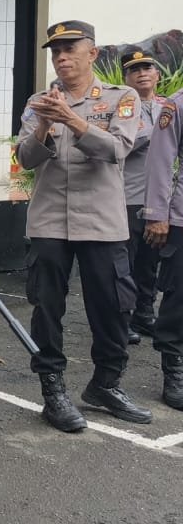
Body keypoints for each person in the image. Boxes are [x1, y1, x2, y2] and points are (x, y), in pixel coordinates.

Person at [16, 20, 151, 433]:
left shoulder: (121, 97)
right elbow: (26, 159)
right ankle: (52, 390)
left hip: (101, 221)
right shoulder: (39, 102)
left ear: (92, 54)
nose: (61, 57)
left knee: (112, 306)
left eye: (70, 49)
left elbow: (117, 148)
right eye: (56, 51)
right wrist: (45, 123)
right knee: (46, 308)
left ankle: (105, 384)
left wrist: (72, 120)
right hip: (50, 220)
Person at [139, 51, 183, 412]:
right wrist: (157, 214)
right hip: (182, 219)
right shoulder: (177, 105)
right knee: (179, 297)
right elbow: (160, 159)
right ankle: (174, 370)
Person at [118, 47, 165, 346]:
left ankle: (144, 314)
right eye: (134, 70)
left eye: (147, 68)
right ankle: (121, 318)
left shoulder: (167, 106)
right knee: (125, 262)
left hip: (160, 198)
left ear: (157, 74)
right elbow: (120, 144)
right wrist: (159, 134)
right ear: (126, 78)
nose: (142, 73)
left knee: (150, 261)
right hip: (129, 196)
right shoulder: (122, 107)